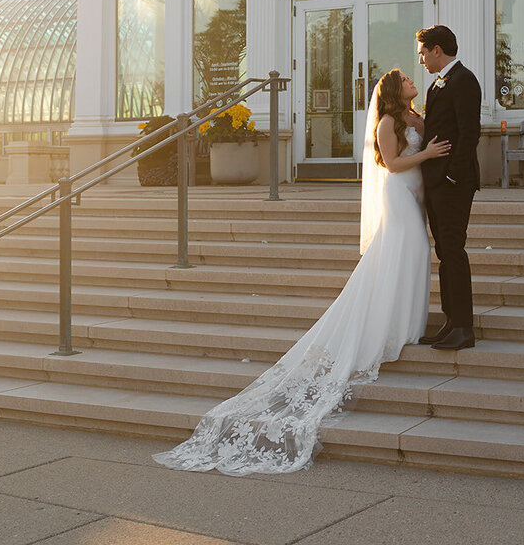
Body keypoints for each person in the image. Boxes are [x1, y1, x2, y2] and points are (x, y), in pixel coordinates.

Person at [153, 69, 450, 475]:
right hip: (399, 198)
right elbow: (394, 164)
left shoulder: (416, 115)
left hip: (416, 198)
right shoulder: (385, 122)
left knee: (416, 257)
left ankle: (408, 324)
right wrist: (427, 155)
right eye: (407, 80)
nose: (414, 81)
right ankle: (390, 328)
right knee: (402, 253)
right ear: (396, 90)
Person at [415, 25, 481, 351]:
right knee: (444, 252)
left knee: (454, 251)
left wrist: (453, 176)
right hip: (436, 181)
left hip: (453, 183)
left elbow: (470, 132)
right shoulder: (437, 85)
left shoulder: (464, 81)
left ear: (437, 50)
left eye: (423, 53)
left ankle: (464, 328)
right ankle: (450, 321)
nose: (421, 59)